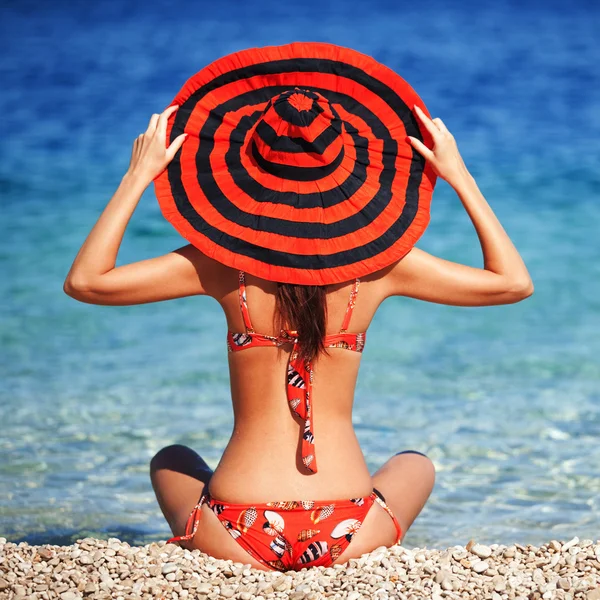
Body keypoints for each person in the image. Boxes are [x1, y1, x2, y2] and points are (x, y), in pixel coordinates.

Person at [64, 49, 533, 572]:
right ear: (351, 174)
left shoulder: (222, 269)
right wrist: (460, 176)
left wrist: (138, 175)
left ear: (244, 174)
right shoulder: (384, 268)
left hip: (235, 530)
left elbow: (87, 282)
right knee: (414, 464)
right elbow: (512, 283)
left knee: (169, 459)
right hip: (348, 529)